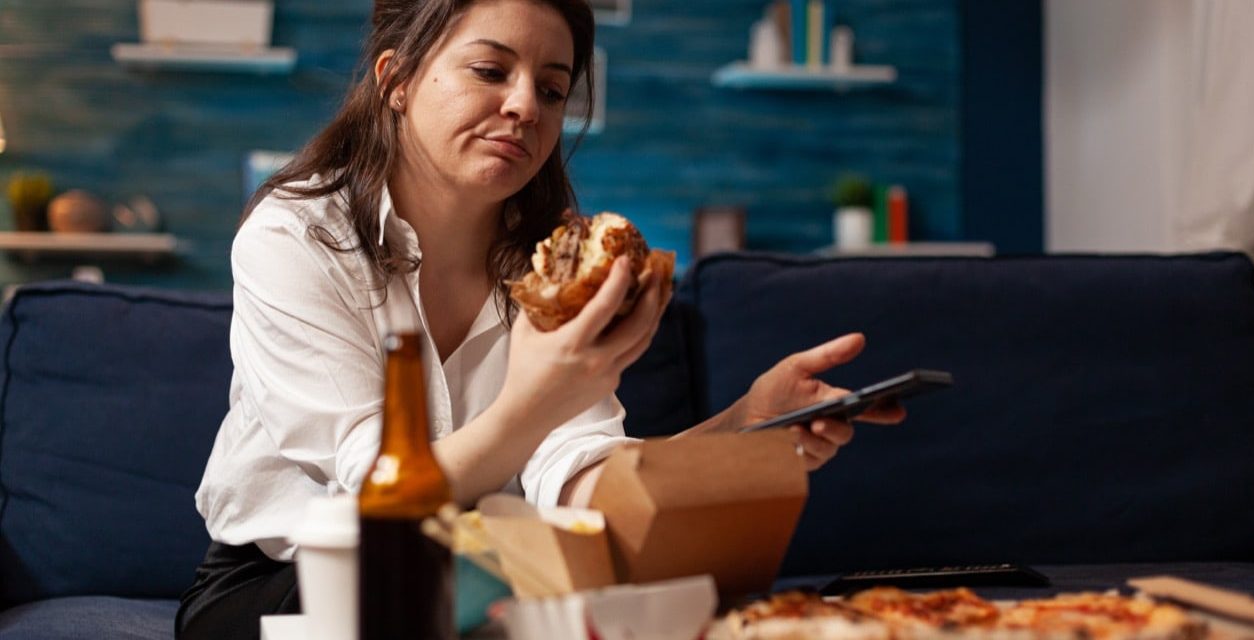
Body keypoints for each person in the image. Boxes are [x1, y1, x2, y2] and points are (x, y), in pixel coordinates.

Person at [175, 0, 904, 637]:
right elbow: (381, 498)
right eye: (491, 71)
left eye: (552, 89)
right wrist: (534, 401)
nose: (527, 105)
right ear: (395, 79)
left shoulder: (552, 265)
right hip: (292, 583)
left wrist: (746, 426)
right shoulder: (297, 237)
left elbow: (577, 475)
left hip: (473, 572)